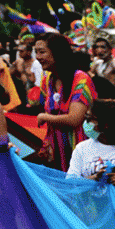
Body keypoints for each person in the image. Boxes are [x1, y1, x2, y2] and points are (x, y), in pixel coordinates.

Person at [33, 33, 95, 171]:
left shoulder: (80, 79)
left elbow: (74, 119)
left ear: (58, 53)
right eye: (36, 52)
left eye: (42, 52)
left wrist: (44, 117)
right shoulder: (48, 80)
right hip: (57, 154)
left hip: (80, 153)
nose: (37, 57)